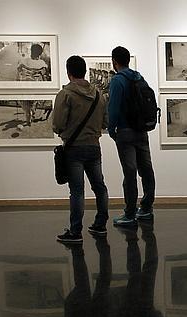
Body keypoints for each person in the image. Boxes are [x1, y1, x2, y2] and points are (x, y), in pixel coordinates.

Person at [52, 56, 109, 242]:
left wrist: (63, 130)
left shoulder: (65, 94)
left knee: (77, 191)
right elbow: (106, 122)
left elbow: (58, 124)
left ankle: (75, 232)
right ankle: (100, 225)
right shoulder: (99, 94)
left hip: (74, 149)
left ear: (68, 72)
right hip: (94, 146)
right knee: (99, 187)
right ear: (85, 71)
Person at [108, 46, 156, 226]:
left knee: (130, 173)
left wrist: (112, 129)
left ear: (115, 61)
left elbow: (113, 108)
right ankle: (146, 208)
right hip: (142, 130)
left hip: (125, 131)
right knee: (146, 169)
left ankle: (129, 214)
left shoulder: (117, 81)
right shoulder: (139, 77)